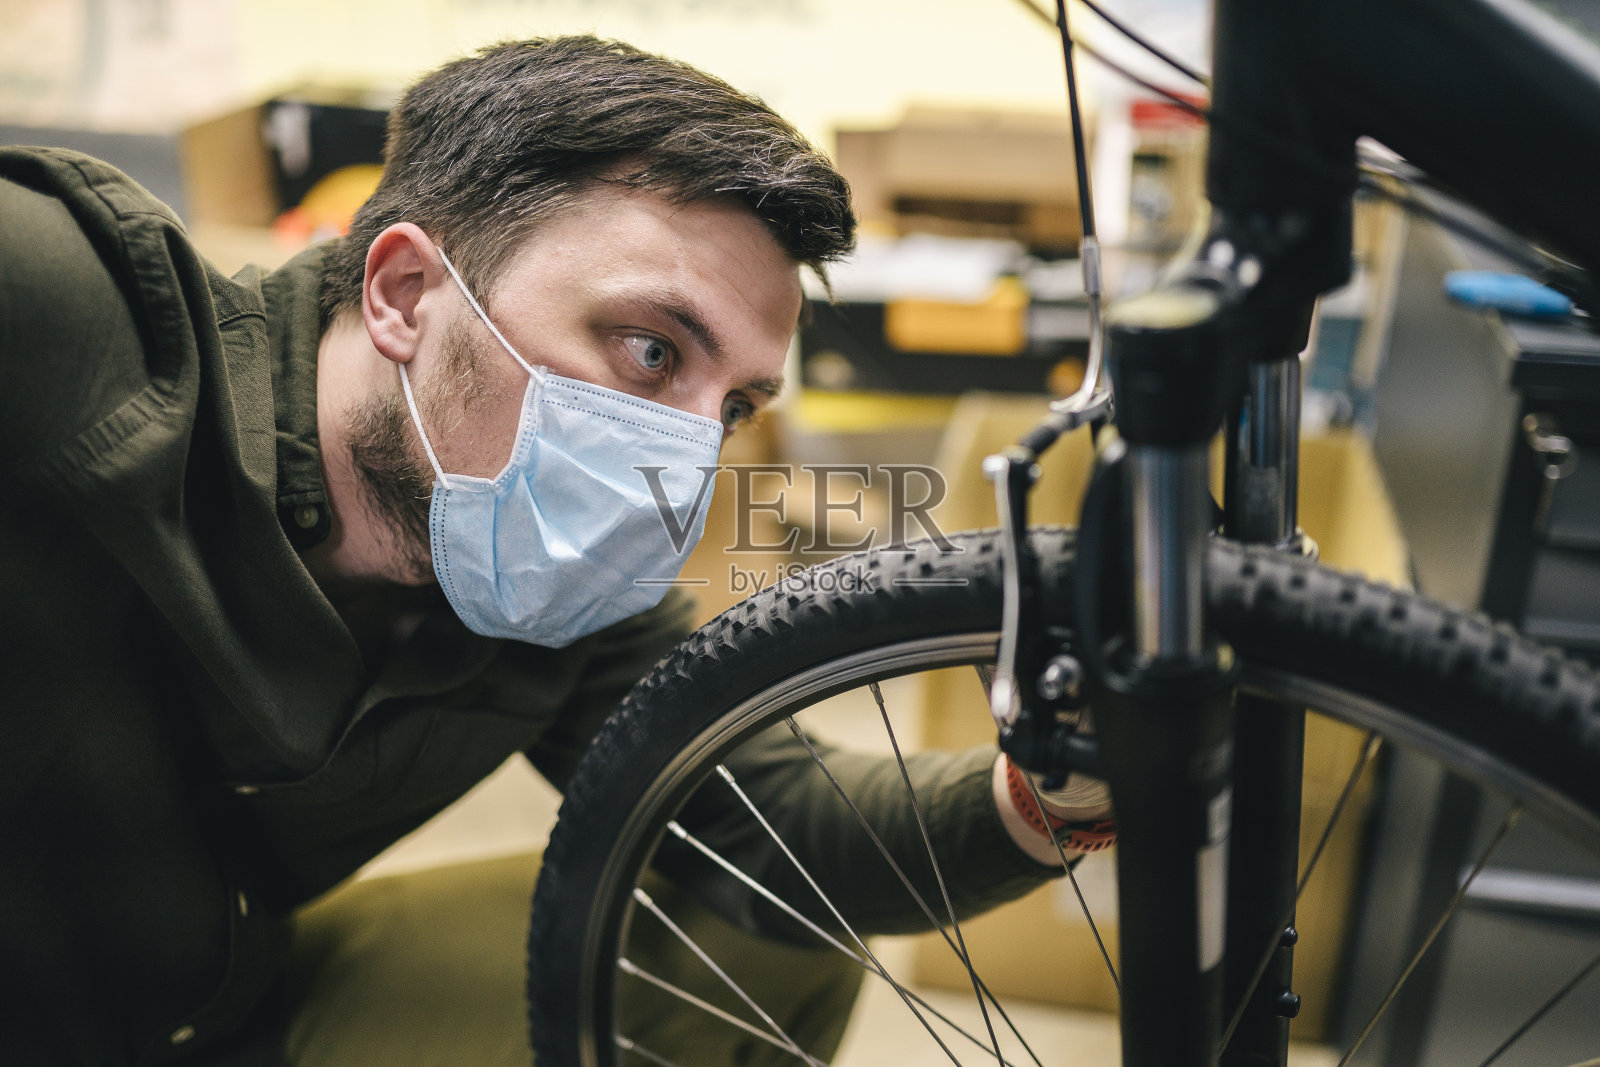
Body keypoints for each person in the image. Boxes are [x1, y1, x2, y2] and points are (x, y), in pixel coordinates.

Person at [0, 34, 1110, 1066]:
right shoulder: (78, 331)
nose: (688, 459)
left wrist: (1058, 784)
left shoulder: (555, 587)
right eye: (650, 351)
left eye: (731, 407)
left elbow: (781, 822)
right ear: (404, 292)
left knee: (767, 934)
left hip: (218, 997)